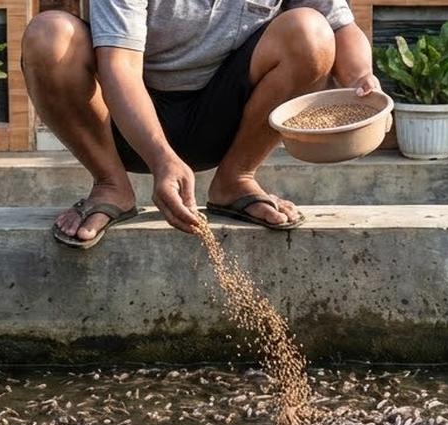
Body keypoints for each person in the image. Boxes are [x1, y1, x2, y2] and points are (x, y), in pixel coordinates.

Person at [22, 0, 380, 249]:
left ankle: (236, 180)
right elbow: (120, 68)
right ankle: (110, 184)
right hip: (124, 121)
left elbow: (339, 26)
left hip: (225, 120)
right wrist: (161, 157)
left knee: (310, 31)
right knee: (49, 35)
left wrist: (362, 79)